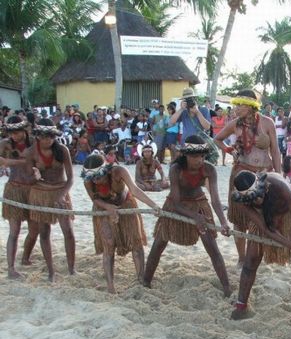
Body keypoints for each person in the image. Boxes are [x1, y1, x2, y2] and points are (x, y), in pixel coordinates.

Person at [143, 136, 231, 297]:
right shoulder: (176, 169)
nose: (200, 160)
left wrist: (224, 222)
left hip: (199, 203)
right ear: (187, 156)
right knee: (158, 244)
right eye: (195, 156)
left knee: (212, 247)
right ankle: (146, 281)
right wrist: (195, 217)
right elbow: (176, 203)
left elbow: (216, 200)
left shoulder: (209, 169)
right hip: (176, 205)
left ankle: (227, 288)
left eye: (202, 156)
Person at [230, 170, 291, 320]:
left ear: (263, 187)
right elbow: (266, 229)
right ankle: (241, 306)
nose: (257, 201)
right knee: (250, 260)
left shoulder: (279, 186)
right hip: (263, 218)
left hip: (288, 212)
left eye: (259, 196)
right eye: (253, 200)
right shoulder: (240, 200)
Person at [214, 90, 281, 267]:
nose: (236, 109)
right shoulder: (234, 124)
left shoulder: (267, 123)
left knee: (265, 215)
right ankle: (242, 257)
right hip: (242, 172)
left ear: (251, 107)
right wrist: (231, 150)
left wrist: (279, 175)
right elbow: (218, 139)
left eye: (240, 105)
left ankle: (262, 254)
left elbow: (275, 150)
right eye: (236, 105)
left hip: (264, 173)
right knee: (239, 218)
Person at [82, 153, 160, 294]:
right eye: (92, 178)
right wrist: (108, 207)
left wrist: (153, 205)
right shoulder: (88, 180)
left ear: (106, 171)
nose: (96, 181)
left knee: (135, 241)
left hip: (126, 203)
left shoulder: (118, 171)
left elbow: (135, 190)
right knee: (108, 245)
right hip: (102, 209)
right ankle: (111, 287)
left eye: (98, 177)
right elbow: (94, 199)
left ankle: (140, 279)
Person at [26, 119, 76, 281]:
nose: (47, 140)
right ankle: (51, 271)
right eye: (44, 136)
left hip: (60, 190)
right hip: (40, 193)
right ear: (38, 136)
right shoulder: (32, 152)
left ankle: (71, 268)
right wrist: (35, 175)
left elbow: (70, 179)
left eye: (51, 137)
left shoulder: (62, 150)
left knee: (68, 231)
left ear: (55, 136)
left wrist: (62, 195)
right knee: (44, 232)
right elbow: (30, 179)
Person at [0, 117, 38, 278]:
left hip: (32, 189)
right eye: (11, 133)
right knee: (14, 231)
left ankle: (25, 258)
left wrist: (10, 161)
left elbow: (37, 161)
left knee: (34, 230)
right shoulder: (5, 144)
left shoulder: (34, 142)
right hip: (14, 188)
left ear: (24, 130)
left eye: (17, 132)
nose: (14, 136)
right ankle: (10, 268)